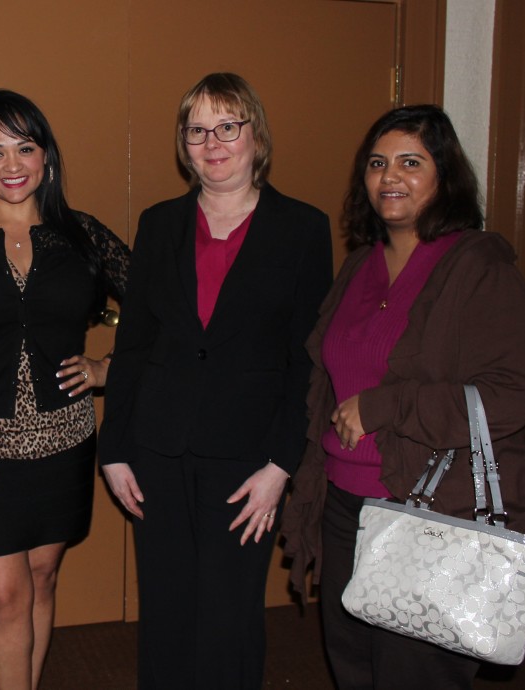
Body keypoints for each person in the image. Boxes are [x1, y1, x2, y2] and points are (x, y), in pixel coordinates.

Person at [280, 105, 525, 690]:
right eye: (377, 164)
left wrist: (385, 405)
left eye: (410, 162)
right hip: (345, 507)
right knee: (353, 668)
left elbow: (510, 394)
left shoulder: (478, 266)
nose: (389, 176)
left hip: (429, 515)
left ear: (444, 177)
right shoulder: (358, 266)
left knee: (415, 676)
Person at [99, 72, 333, 689]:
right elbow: (133, 348)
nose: (214, 142)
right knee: (167, 614)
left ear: (255, 134)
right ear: (184, 143)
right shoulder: (159, 225)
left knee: (229, 619)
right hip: (158, 451)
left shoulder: (303, 229)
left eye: (228, 126)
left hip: (249, 462)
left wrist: (283, 466)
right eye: (198, 130)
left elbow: (306, 361)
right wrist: (115, 448)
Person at [0, 89, 129, 690]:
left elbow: (159, 305)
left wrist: (105, 369)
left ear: (46, 157)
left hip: (64, 442)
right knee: (3, 592)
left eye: (25, 147)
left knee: (42, 578)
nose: (13, 165)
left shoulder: (81, 234)